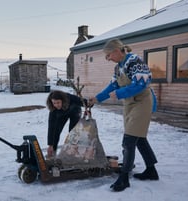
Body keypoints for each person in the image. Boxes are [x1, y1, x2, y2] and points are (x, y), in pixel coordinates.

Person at [88, 38, 159, 192]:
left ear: (116, 51)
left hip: (142, 102)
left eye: (108, 56)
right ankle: (151, 171)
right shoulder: (118, 67)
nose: (108, 59)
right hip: (129, 104)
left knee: (129, 140)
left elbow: (141, 84)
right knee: (138, 138)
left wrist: (119, 93)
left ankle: (124, 177)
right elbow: (112, 86)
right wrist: (97, 98)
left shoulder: (135, 61)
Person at [46, 90, 86, 158]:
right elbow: (51, 127)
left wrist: (88, 105)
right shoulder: (53, 109)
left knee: (73, 132)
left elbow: (85, 102)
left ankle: (73, 150)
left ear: (62, 100)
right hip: (61, 113)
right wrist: (50, 145)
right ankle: (53, 151)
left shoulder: (70, 98)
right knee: (56, 130)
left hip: (74, 111)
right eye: (54, 103)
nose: (56, 105)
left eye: (58, 102)